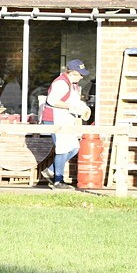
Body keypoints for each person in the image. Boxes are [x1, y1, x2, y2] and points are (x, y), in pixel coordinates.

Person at [40, 59, 92, 188]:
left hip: (65, 119)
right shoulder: (61, 83)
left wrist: (82, 107)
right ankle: (58, 181)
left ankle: (50, 171)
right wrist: (71, 107)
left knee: (74, 148)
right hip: (55, 119)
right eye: (80, 74)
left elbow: (74, 101)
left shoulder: (72, 84)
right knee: (63, 148)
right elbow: (52, 101)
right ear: (72, 72)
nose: (82, 77)